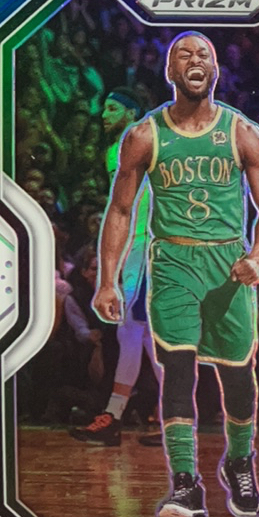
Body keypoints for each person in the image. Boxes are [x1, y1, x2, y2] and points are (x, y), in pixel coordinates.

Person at [94, 32, 259, 517]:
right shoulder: (144, 135)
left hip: (228, 266)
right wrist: (107, 280)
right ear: (171, 72)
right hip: (173, 263)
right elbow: (120, 210)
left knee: (238, 376)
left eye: (204, 54)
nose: (195, 59)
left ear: (215, 70)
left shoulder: (242, 132)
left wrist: (257, 257)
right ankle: (185, 484)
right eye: (185, 54)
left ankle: (239, 462)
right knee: (177, 370)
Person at [71, 89, 156, 447]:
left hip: (149, 247)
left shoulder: (143, 142)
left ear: (132, 112)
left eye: (112, 108)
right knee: (141, 335)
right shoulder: (117, 149)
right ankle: (171, 419)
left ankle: (118, 416)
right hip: (135, 249)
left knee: (135, 331)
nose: (103, 114)